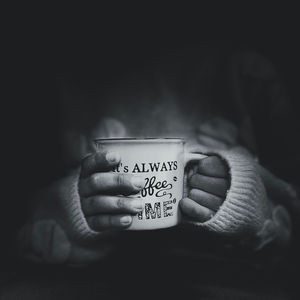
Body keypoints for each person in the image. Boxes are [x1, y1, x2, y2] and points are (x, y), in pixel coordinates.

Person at [12, 44, 300, 298]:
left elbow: (292, 218)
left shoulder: (244, 70)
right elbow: (22, 228)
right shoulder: (62, 80)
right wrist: (73, 207)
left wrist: (244, 200)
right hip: (98, 274)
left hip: (232, 274)